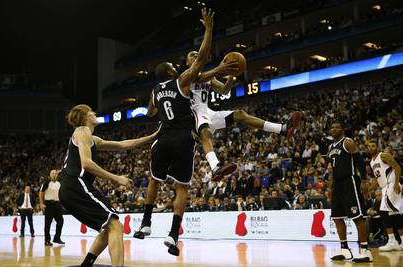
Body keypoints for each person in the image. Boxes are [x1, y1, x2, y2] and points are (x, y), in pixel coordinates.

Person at [133, 7, 214, 256]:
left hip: (162, 138)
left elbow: (149, 113)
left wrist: (152, 102)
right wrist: (209, 30)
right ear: (171, 72)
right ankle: (172, 235)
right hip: (182, 139)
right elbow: (200, 59)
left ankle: (146, 223)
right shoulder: (181, 81)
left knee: (154, 180)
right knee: (182, 189)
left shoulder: (155, 90)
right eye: (173, 65)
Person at [59, 104, 159, 267]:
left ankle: (87, 264)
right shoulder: (82, 131)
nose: (94, 113)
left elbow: (122, 145)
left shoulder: (91, 138)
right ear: (84, 117)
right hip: (75, 184)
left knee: (109, 226)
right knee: (115, 225)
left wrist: (151, 137)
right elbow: (86, 164)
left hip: (72, 188)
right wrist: (116, 178)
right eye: (91, 111)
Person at [184, 51, 301, 180]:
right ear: (187, 62)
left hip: (206, 111)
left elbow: (224, 90)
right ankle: (215, 167)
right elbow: (199, 78)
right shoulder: (187, 75)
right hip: (192, 112)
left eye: (197, 54)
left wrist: (230, 75)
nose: (195, 56)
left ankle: (282, 129)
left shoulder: (209, 77)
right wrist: (220, 68)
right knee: (206, 133)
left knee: (240, 114)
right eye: (192, 55)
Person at [327, 121, 372, 262]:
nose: (334, 129)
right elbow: (332, 170)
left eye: (337, 127)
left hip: (350, 182)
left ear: (342, 129)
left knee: (357, 216)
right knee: (337, 217)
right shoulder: (330, 147)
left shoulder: (348, 142)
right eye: (332, 127)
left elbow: (359, 161)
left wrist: (364, 181)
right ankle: (345, 250)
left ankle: (365, 250)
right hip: (337, 185)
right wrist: (330, 186)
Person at [368, 140, 403, 251]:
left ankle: (392, 240)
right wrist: (370, 189)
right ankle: (401, 242)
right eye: (369, 146)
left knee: (383, 212)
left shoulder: (383, 155)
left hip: (392, 184)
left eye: (373, 146)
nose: (371, 148)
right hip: (385, 187)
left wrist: (397, 183)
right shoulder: (371, 162)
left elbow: (397, 167)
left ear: (377, 147)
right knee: (394, 214)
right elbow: (377, 178)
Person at [39, 169, 65, 246]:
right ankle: (47, 240)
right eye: (53, 173)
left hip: (57, 205)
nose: (54, 175)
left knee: (60, 221)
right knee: (47, 224)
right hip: (49, 205)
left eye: (56, 173)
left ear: (57, 175)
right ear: (50, 175)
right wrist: (41, 203)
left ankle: (57, 238)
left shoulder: (59, 183)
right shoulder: (46, 182)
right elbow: (41, 193)